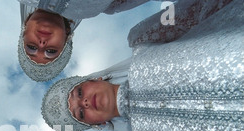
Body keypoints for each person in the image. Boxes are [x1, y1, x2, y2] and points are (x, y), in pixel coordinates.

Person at [41, 0, 244, 131]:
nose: (84, 102)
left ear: (95, 78)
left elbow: (203, 8)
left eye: (79, 92)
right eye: (80, 114)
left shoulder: (145, 39)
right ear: (97, 125)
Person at [17, 0, 172, 82]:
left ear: (24, 30)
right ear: (67, 37)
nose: (42, 45)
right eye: (51, 52)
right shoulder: (102, 7)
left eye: (31, 47)